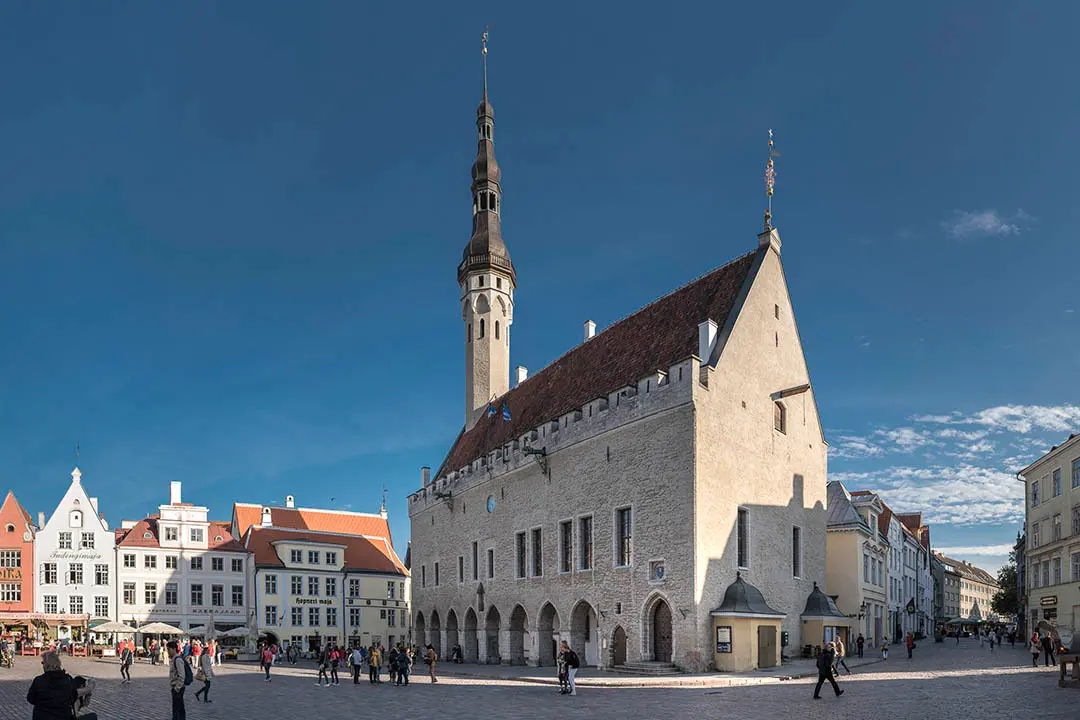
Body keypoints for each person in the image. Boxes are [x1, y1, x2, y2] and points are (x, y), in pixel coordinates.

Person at [26, 651, 75, 720]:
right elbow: (72, 698)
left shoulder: (39, 680)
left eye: (42, 663)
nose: (42, 665)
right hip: (63, 716)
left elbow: (30, 699)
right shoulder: (68, 680)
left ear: (46, 664)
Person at [167, 641, 188, 720]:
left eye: (169, 649)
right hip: (175, 687)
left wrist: (177, 688)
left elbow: (182, 675)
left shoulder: (178, 659)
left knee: (178, 709)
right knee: (178, 708)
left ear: (174, 649)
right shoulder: (174, 659)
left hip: (178, 688)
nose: (168, 651)